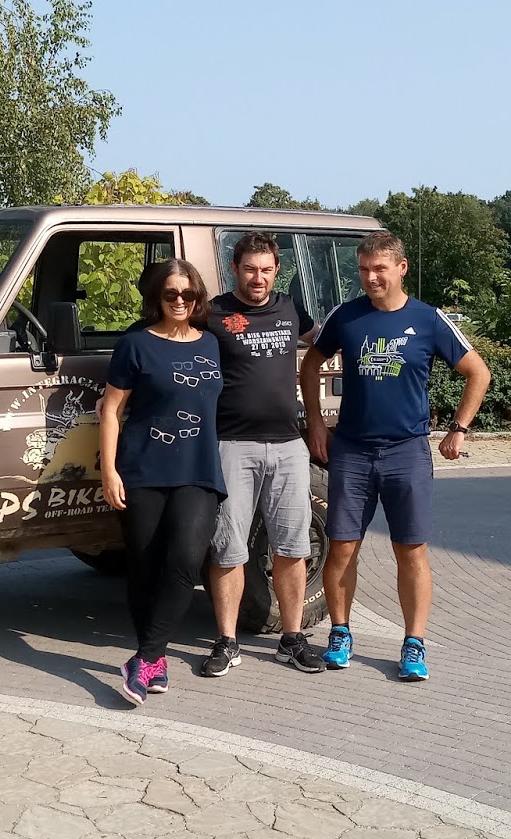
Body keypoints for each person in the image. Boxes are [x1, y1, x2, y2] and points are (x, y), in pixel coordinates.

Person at [298, 230, 491, 682]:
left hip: (407, 452)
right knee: (342, 547)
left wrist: (458, 429)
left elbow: (478, 372)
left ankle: (413, 643)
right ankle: (340, 633)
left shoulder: (428, 319)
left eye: (380, 269)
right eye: (364, 270)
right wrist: (316, 423)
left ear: (401, 268)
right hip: (352, 452)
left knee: (411, 550)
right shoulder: (347, 316)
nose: (371, 278)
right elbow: (309, 365)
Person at [197, 232, 327, 677]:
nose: (258, 278)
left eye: (267, 270)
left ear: (277, 270)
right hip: (232, 445)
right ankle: (226, 641)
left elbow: (324, 342)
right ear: (235, 269)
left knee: (292, 546)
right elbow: (169, 338)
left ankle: (292, 639)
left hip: (288, 446)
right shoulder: (213, 313)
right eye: (250, 269)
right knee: (228, 547)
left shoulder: (290, 308)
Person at [99, 259, 225, 705]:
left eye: (188, 294)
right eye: (171, 293)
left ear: (198, 298)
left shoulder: (211, 343)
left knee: (186, 561)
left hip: (198, 469)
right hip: (143, 470)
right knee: (145, 567)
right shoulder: (135, 344)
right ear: (157, 296)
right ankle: (153, 661)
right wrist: (109, 470)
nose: (179, 301)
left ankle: (147, 657)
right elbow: (111, 409)